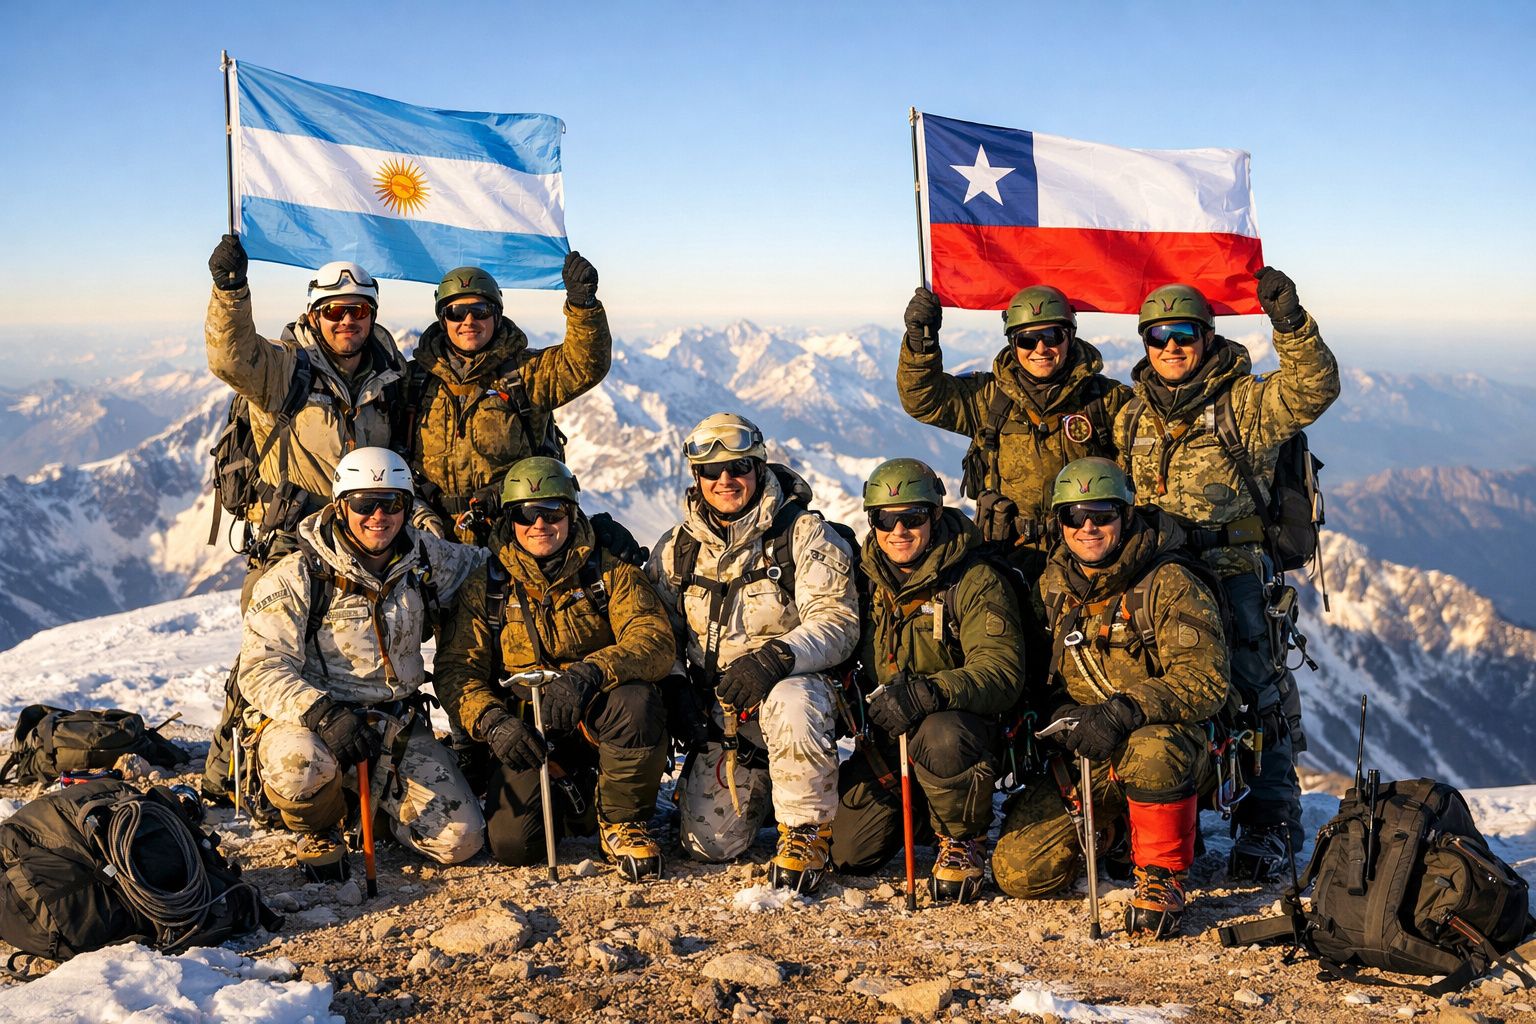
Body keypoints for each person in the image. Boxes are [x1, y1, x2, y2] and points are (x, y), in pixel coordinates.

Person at [1114, 268, 1339, 880]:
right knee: (1155, 686)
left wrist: (1290, 323)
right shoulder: (1131, 416)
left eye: (1183, 333)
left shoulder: (1245, 404)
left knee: (1254, 694)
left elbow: (1315, 389)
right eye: (1157, 336)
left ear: (1207, 337)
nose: (1170, 347)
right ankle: (1163, 809)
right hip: (1158, 579)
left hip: (1234, 572)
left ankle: (1269, 821)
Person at [992, 459, 1228, 938]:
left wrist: (1123, 711)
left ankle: (1161, 876)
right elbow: (1041, 672)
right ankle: (1120, 834)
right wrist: (1055, 710)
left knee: (1151, 748)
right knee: (1019, 871)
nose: (1088, 527)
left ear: (1125, 514)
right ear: (1059, 522)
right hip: (1089, 749)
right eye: (1074, 515)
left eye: (1102, 513)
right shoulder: (1053, 585)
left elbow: (1206, 680)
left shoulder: (1168, 581)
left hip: (1171, 745)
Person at [237, 448, 486, 880]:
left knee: (460, 842)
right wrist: (323, 713)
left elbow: (488, 568)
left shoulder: (426, 560)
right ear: (340, 505)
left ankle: (369, 807)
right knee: (300, 767)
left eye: (392, 503)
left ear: (407, 508)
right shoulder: (298, 575)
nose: (378, 516)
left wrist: (583, 535)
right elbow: (260, 668)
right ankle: (319, 824)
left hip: (394, 724)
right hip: (314, 724)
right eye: (363, 504)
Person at [433, 458, 675, 880]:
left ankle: (622, 819)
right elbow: (457, 670)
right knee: (514, 846)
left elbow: (653, 640)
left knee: (637, 702)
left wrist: (589, 674)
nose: (540, 524)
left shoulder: (609, 571)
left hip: (595, 714)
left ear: (572, 512)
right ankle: (573, 795)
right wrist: (493, 723)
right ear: (511, 519)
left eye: (553, 511)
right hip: (525, 728)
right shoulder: (485, 584)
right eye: (526, 513)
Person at [647, 413, 859, 894]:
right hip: (725, 721)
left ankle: (807, 830)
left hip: (795, 695)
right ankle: (768, 785)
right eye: (711, 472)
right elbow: (657, 632)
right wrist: (677, 683)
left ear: (759, 468)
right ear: (696, 478)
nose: (725, 480)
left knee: (791, 697)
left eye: (739, 467)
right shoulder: (675, 549)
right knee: (710, 845)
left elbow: (838, 622)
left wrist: (776, 659)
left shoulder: (802, 535)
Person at [830, 459, 1026, 903]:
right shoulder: (862, 581)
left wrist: (928, 693)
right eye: (884, 519)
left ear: (935, 516)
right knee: (848, 853)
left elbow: (1002, 671)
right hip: (888, 739)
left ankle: (961, 838)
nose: (898, 530)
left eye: (912, 518)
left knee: (942, 734)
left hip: (958, 731)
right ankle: (924, 813)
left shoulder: (973, 580)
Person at [205, 235, 407, 607]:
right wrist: (230, 291)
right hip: (293, 542)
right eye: (334, 312)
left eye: (359, 311)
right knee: (271, 654)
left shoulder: (391, 377)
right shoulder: (284, 369)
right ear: (314, 316)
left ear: (372, 316)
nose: (347, 320)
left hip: (370, 541)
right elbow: (231, 359)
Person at [897, 284, 1130, 583]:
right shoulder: (989, 398)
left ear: (1070, 336)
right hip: (1004, 556)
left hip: (1089, 556)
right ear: (1012, 343)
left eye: (1052, 336)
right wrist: (921, 342)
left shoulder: (1106, 400)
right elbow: (923, 399)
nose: (1041, 349)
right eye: (1028, 340)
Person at [396, 256, 609, 545]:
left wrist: (583, 307)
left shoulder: (525, 374)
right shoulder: (415, 380)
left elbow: (583, 365)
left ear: (496, 315)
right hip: (432, 538)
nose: (469, 321)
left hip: (514, 537)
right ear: (443, 318)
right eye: (457, 312)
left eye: (480, 310)